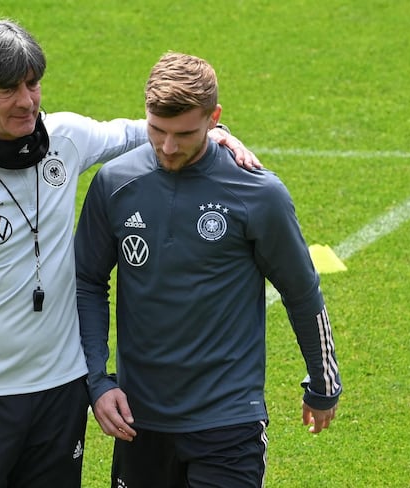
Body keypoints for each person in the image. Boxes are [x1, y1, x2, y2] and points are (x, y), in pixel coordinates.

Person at [0, 20, 260, 488]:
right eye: (8, 89)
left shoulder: (65, 139)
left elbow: (147, 131)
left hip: (60, 391)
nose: (28, 101)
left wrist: (218, 132)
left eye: (32, 84)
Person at [75, 51, 342, 488]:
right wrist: (97, 381)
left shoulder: (257, 193)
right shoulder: (115, 184)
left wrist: (323, 381)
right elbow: (86, 280)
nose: (167, 147)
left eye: (184, 134)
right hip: (140, 420)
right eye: (156, 130)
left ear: (214, 118)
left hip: (228, 420)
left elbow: (301, 290)